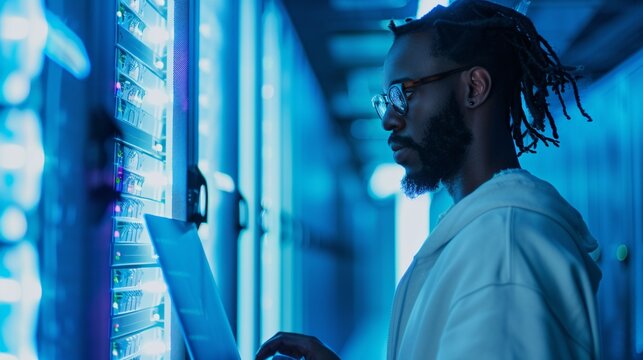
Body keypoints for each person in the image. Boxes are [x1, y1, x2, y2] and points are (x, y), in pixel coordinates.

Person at [255, 0, 601, 359]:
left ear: (474, 88)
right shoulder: (483, 236)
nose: (388, 119)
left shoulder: (503, 252)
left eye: (402, 93)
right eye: (384, 101)